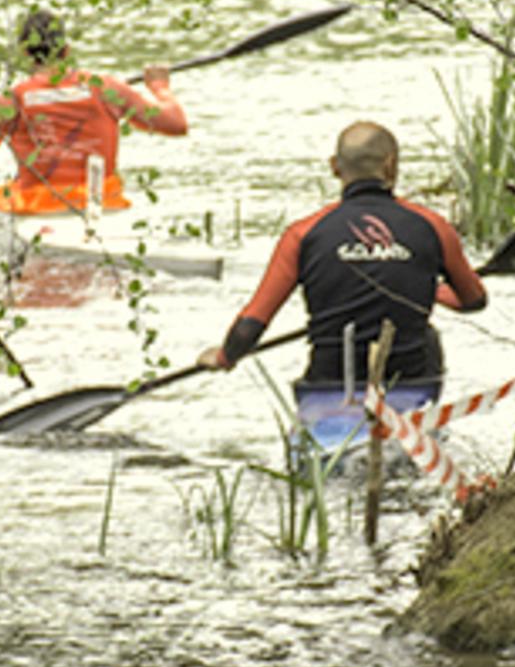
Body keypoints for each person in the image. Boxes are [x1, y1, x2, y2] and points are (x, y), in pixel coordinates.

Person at [202, 121, 488, 457]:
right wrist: (433, 291)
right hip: (409, 377)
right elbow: (474, 300)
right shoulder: (432, 226)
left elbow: (251, 325)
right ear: (391, 164)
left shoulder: (302, 234)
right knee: (427, 337)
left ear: (335, 167)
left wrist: (224, 357)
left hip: (328, 379)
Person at [0, 6, 188, 217]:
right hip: (103, 203)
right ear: (66, 50)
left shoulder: (12, 101)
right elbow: (176, 124)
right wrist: (160, 88)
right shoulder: (105, 87)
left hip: (39, 208)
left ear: (25, 53)